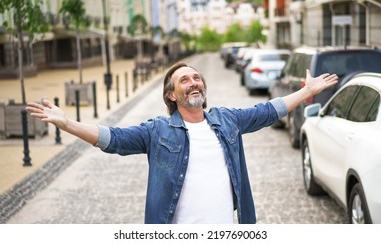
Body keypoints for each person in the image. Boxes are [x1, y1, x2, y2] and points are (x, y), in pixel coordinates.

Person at [26, 62, 338, 224]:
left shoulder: (228, 120)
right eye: (184, 80)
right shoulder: (158, 130)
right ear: (172, 96)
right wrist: (67, 123)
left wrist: (307, 91)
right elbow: (113, 139)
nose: (194, 82)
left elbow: (269, 110)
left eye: (197, 77)